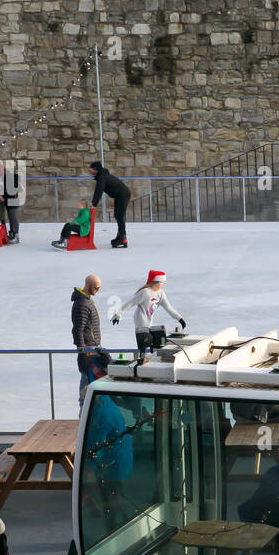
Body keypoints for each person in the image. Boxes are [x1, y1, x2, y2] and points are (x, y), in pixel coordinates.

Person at [116, 269, 186, 351]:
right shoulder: (145, 292)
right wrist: (118, 314)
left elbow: (168, 308)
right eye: (161, 282)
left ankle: (148, 353)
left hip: (149, 320)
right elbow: (130, 303)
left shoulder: (160, 293)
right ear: (155, 281)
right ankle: (142, 356)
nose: (163, 284)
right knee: (145, 340)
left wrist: (180, 319)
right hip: (140, 320)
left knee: (155, 340)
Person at [72, 274, 108, 406]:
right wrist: (83, 351)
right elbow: (78, 329)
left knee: (92, 383)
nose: (98, 290)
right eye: (96, 288)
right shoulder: (82, 304)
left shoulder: (86, 301)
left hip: (93, 348)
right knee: (86, 387)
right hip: (88, 350)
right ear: (88, 285)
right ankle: (83, 419)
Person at [89, 160, 132, 248]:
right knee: (117, 215)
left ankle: (123, 239)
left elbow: (99, 191)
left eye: (91, 169)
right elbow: (99, 191)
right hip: (121, 195)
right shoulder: (102, 175)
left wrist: (94, 204)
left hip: (123, 194)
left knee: (119, 216)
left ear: (95, 169)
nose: (90, 171)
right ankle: (120, 236)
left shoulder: (102, 177)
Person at [0, 160, 21, 244]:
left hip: (12, 200)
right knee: (11, 218)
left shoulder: (9, 176)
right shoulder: (5, 177)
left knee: (13, 218)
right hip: (9, 200)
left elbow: (11, 188)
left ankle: (16, 235)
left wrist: (3, 195)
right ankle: (12, 234)